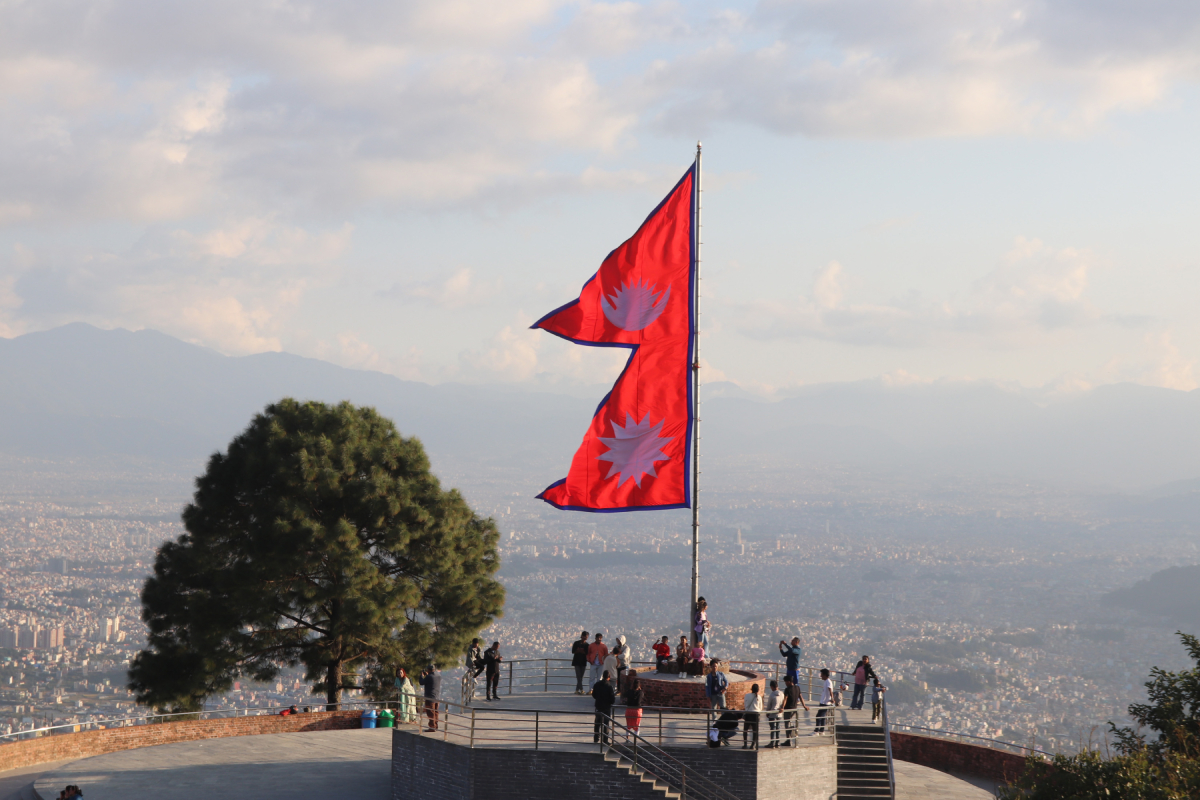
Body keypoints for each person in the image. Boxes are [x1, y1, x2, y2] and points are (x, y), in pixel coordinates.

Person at [782, 674, 808, 746]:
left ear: (789, 682)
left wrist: (782, 707)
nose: (785, 683)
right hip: (794, 709)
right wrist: (804, 706)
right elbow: (801, 697)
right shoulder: (797, 688)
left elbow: (785, 699)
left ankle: (788, 740)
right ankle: (792, 732)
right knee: (789, 723)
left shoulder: (787, 689)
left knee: (787, 725)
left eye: (786, 682)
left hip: (788, 709)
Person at [592, 669, 617, 744]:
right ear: (609, 677)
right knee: (606, 724)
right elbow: (612, 698)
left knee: (597, 723)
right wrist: (610, 702)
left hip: (598, 706)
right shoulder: (609, 686)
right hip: (606, 707)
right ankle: (605, 740)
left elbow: (594, 695)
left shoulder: (597, 684)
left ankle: (596, 738)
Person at [622, 669, 644, 735]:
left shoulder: (629, 691)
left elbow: (625, 695)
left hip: (629, 710)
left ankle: (627, 739)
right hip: (637, 710)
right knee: (637, 726)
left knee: (628, 726)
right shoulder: (641, 692)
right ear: (639, 686)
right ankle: (635, 740)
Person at [763, 679, 784, 748]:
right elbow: (783, 703)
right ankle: (777, 742)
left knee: (772, 728)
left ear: (772, 686)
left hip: (772, 713)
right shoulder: (782, 694)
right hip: (779, 713)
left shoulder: (772, 695)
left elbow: (769, 705)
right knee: (778, 728)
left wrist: (767, 712)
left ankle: (772, 743)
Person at [421, 665, 441, 732]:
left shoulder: (429, 677)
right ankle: (435, 725)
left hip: (430, 697)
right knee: (435, 712)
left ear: (429, 670)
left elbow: (421, 682)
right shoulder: (438, 676)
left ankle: (432, 727)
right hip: (437, 697)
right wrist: (427, 675)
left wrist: (421, 676)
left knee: (430, 712)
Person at [742, 683, 762, 749]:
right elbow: (760, 708)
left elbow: (745, 705)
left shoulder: (747, 695)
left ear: (751, 689)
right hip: (756, 715)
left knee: (745, 730)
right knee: (755, 731)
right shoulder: (759, 697)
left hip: (748, 714)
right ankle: (753, 745)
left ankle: (745, 744)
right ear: (758, 690)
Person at [815, 668, 833, 735]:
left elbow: (830, 690)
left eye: (822, 674)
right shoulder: (826, 681)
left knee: (818, 716)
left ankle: (817, 731)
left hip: (825, 702)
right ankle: (821, 731)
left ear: (825, 675)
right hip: (823, 701)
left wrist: (832, 698)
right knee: (822, 717)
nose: (821, 676)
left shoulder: (828, 682)